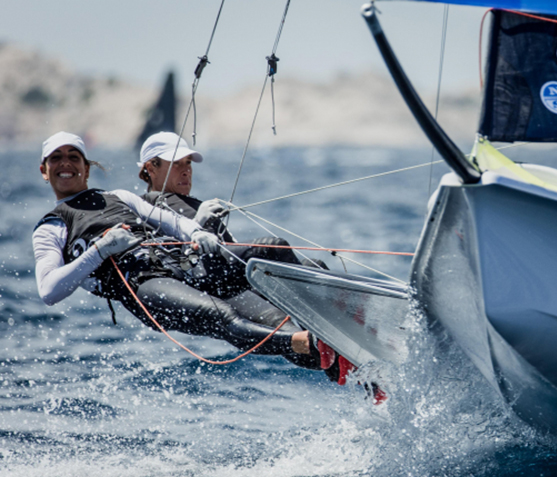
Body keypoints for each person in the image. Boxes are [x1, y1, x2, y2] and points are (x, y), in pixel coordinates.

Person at [32, 131, 323, 368]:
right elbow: (49, 291)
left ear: (86, 167)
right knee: (223, 316)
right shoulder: (52, 227)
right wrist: (99, 251)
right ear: (45, 171)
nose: (65, 163)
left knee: (272, 251)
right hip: (144, 287)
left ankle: (338, 330)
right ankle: (308, 343)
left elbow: (170, 222)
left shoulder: (118, 196)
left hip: (178, 267)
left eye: (73, 156)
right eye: (56, 158)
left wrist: (197, 231)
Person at [135, 132, 345, 378]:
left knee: (310, 273)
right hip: (207, 282)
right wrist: (197, 223)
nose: (186, 170)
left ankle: (346, 360)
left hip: (232, 280)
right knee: (273, 249)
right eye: (176, 163)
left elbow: (227, 246)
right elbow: (167, 256)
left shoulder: (190, 201)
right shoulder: (149, 205)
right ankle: (338, 338)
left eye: (188, 163)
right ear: (151, 167)